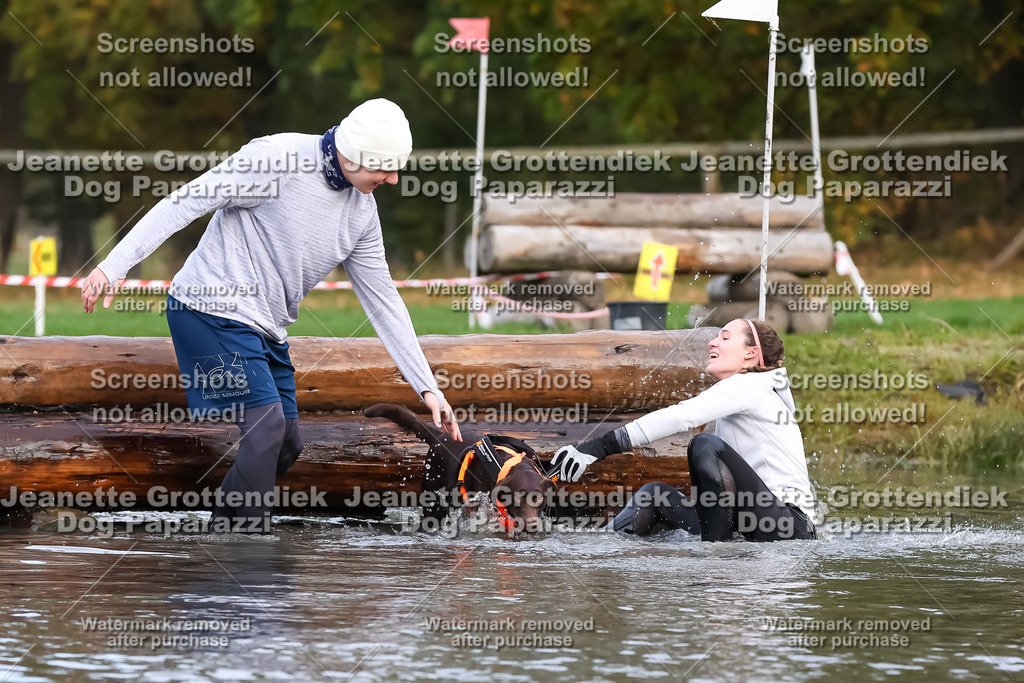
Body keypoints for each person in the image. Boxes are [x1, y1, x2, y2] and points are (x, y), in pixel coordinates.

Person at [81, 98, 461, 533]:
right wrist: (114, 265)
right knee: (266, 428)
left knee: (285, 444)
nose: (393, 179)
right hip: (207, 310)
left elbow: (384, 300)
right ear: (356, 155)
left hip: (264, 329)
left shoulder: (361, 214)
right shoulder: (276, 159)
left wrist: (428, 388)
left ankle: (223, 543)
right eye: (386, 168)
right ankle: (251, 557)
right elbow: (184, 202)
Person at [550, 318, 816, 542]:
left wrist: (597, 447)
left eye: (724, 338)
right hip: (751, 520)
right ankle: (599, 547)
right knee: (655, 495)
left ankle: (715, 557)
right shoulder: (751, 388)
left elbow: (680, 416)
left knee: (705, 445)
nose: (712, 343)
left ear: (751, 353)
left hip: (788, 526)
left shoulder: (751, 385)